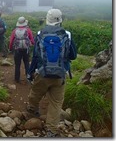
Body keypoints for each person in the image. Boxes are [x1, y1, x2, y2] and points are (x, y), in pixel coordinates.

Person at [26, 9, 77, 137]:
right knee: (56, 103)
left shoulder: (40, 33)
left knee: (35, 93)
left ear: (47, 19)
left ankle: (32, 109)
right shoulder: (67, 34)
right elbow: (73, 55)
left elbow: (36, 56)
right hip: (60, 75)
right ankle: (51, 130)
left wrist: (30, 72)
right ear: (60, 20)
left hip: (42, 73)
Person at [9, 16, 35, 83]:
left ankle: (17, 79)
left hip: (17, 49)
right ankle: (28, 77)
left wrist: (10, 48)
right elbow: (32, 39)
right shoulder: (28, 30)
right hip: (26, 49)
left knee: (17, 64)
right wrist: (33, 44)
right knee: (26, 63)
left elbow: (11, 40)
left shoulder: (15, 30)